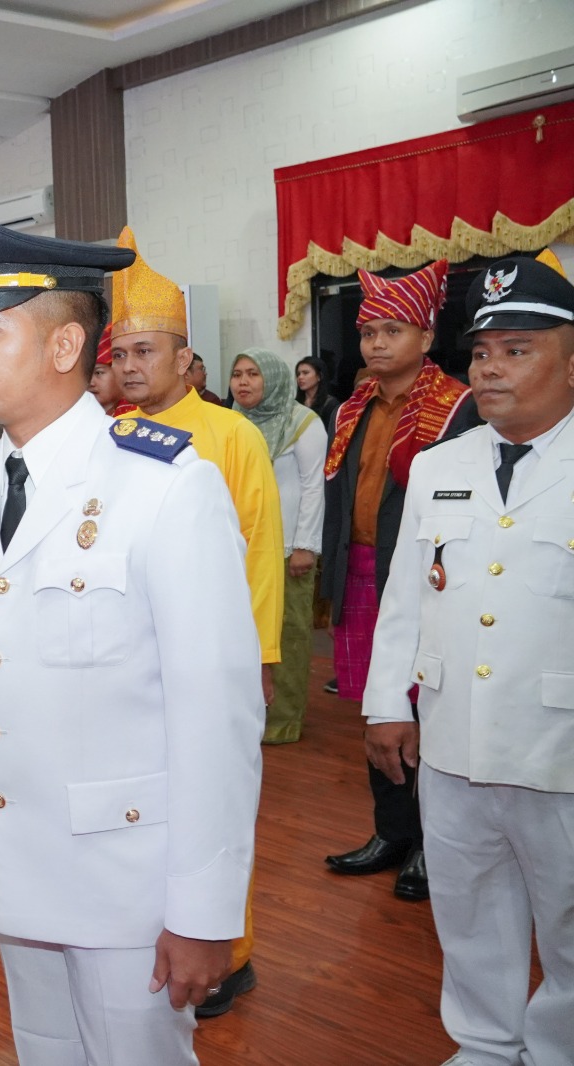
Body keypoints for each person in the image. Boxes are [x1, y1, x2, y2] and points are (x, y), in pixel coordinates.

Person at [0, 208, 262, 1066]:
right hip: (16, 868)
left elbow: (216, 715)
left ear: (65, 346)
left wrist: (205, 908)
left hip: (130, 882)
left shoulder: (166, 487)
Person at [362, 249, 574, 1066]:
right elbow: (407, 593)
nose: (490, 370)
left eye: (516, 351)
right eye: (483, 352)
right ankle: (486, 1044)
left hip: (557, 741)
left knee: (565, 914)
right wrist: (386, 702)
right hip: (452, 736)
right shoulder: (442, 464)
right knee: (468, 903)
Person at [110, 225, 283, 1014]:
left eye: (147, 352)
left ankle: (232, 951)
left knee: (215, 802)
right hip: (129, 663)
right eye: (120, 354)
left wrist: (261, 658)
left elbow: (261, 554)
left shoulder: (232, 436)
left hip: (215, 660)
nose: (130, 368)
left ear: (186, 358)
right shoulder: (105, 438)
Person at [321, 260, 475, 903]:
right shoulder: (353, 406)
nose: (376, 344)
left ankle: (428, 845)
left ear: (425, 334)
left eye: (391, 330)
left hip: (423, 582)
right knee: (379, 707)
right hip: (361, 572)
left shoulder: (459, 407)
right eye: (367, 333)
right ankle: (391, 830)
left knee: (427, 713)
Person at [231, 348, 326, 744]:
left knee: (286, 635)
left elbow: (312, 486)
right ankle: (242, 715)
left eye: (254, 374)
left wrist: (305, 545)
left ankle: (283, 719)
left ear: (272, 378)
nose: (243, 382)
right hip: (239, 550)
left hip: (287, 550)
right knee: (240, 635)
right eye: (237, 374)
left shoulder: (303, 423)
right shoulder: (231, 422)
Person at [296, 355, 339, 432]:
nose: (300, 377)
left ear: (319, 376)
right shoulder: (295, 404)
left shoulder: (330, 404)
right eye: (298, 374)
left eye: (305, 373)